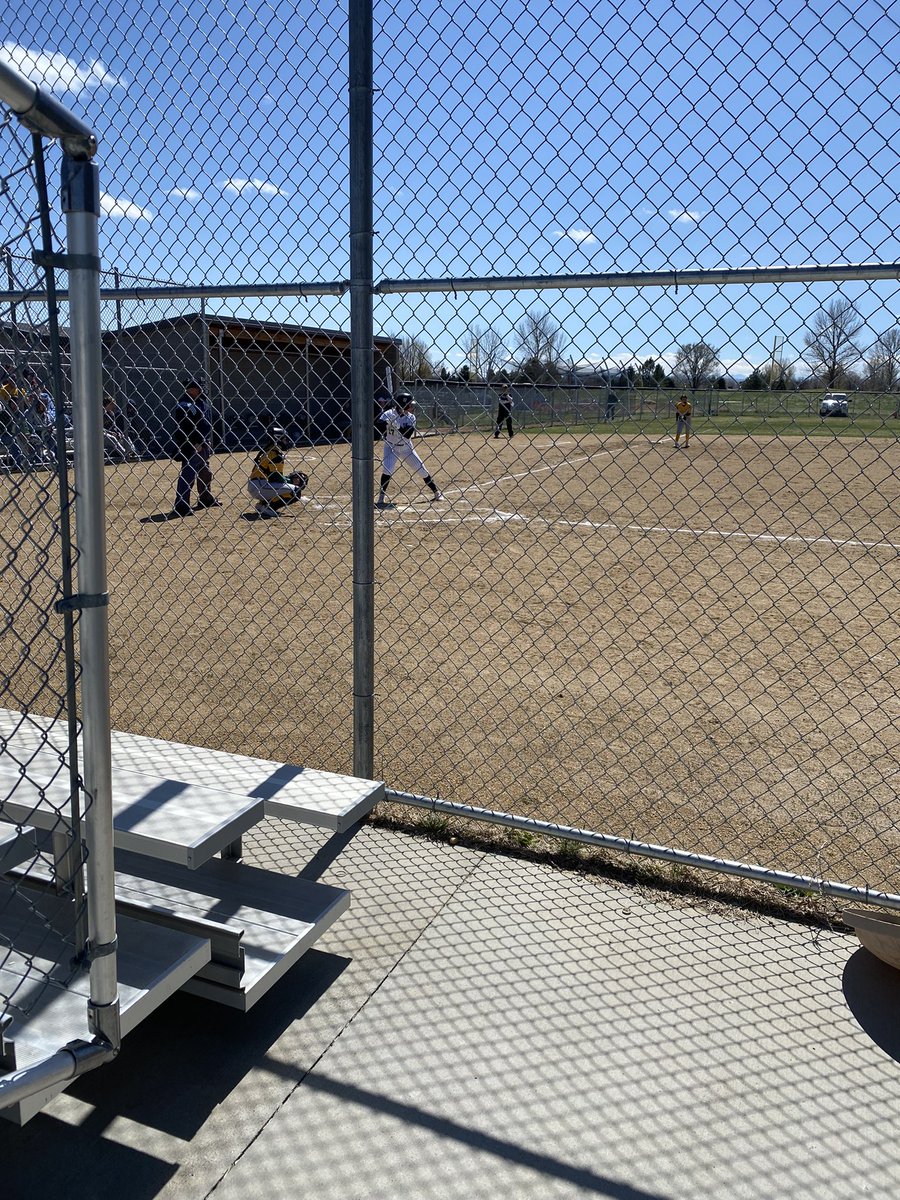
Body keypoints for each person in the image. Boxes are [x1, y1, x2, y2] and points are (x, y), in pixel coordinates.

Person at [376, 393, 444, 506]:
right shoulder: (389, 414)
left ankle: (436, 492)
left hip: (406, 448)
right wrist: (388, 421)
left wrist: (397, 426)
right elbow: (378, 424)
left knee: (422, 470)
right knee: (387, 470)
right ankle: (381, 498)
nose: (412, 407)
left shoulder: (411, 417)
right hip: (391, 447)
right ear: (402, 405)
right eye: (409, 405)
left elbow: (407, 434)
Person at [171, 380, 220, 516]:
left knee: (205, 472)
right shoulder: (185, 404)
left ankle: (205, 498)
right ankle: (181, 505)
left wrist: (205, 441)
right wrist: (194, 443)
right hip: (192, 444)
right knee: (188, 474)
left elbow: (204, 423)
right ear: (191, 390)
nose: (201, 390)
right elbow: (185, 427)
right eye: (198, 388)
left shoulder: (199, 401)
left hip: (202, 443)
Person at [248, 425, 307, 517]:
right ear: (277, 439)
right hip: (261, 486)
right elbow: (275, 477)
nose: (286, 441)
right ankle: (269, 507)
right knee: (295, 491)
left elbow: (274, 476)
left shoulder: (268, 451)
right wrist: (291, 481)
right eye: (284, 439)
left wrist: (286, 479)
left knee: (283, 486)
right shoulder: (276, 455)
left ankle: (262, 504)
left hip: (257, 484)